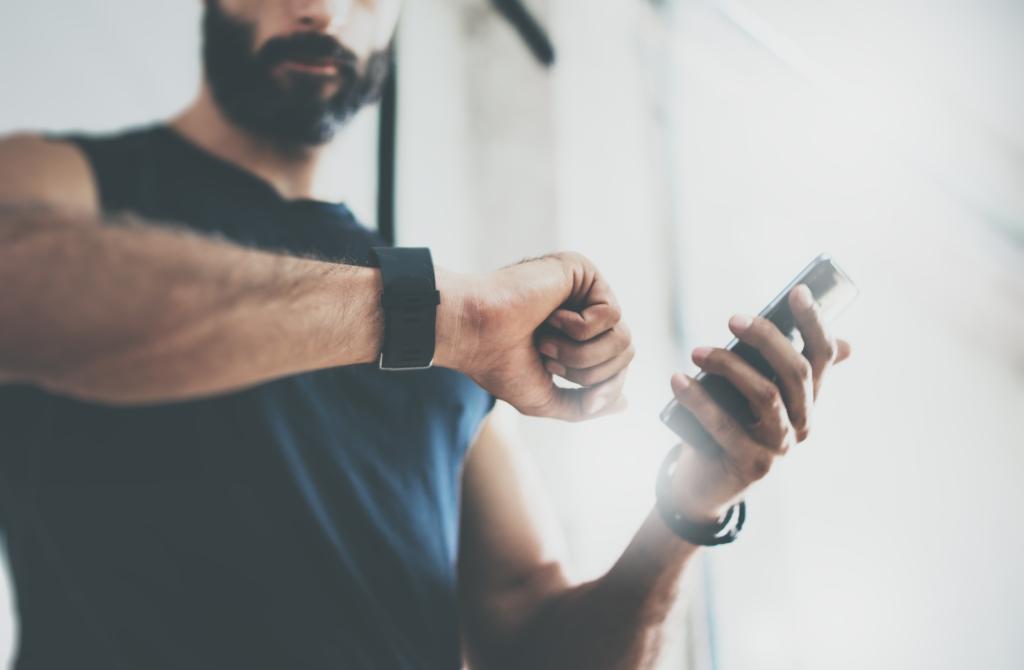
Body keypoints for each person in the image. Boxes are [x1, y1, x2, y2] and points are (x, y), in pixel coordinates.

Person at [0, 1, 851, 668]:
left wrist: (690, 505)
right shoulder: (66, 182)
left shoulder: (442, 315)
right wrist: (455, 319)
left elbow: (531, 641)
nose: (324, 10)